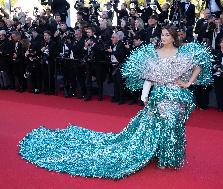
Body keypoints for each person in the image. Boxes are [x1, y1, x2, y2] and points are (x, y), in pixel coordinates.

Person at [19, 25, 212, 179]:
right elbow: (149, 76)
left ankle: (170, 156)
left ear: (174, 37)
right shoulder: (154, 52)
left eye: (166, 35)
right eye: (161, 34)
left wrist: (187, 83)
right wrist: (144, 94)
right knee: (160, 124)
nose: (163, 38)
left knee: (173, 124)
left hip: (177, 95)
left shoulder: (182, 52)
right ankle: (163, 156)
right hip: (159, 95)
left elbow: (200, 64)